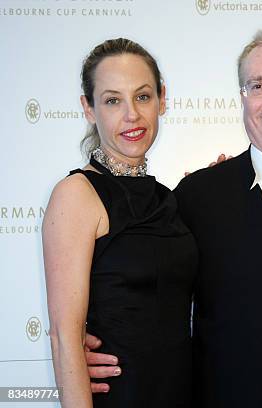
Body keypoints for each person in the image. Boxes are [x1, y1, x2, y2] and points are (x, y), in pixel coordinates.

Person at [84, 30, 262, 408]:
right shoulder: (194, 197)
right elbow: (150, 294)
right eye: (256, 86)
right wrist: (90, 346)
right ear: (242, 98)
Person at [43, 38, 197, 408]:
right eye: (113, 100)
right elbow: (65, 338)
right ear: (89, 108)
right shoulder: (76, 194)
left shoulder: (168, 199)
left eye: (142, 97)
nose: (132, 115)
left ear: (162, 99)